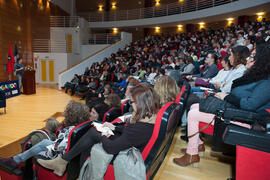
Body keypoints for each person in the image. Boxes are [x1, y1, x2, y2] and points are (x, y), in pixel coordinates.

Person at [173, 44, 270, 167]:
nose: (248, 58)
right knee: (194, 106)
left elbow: (249, 105)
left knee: (193, 114)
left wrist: (225, 96)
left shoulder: (266, 82)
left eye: (253, 56)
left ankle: (192, 154)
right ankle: (197, 145)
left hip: (246, 119)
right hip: (237, 112)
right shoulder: (255, 76)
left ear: (262, 60)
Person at [37, 84, 160, 176]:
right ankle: (68, 165)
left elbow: (111, 147)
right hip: (127, 144)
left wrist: (104, 134)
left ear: (140, 103)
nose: (131, 104)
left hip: (125, 154)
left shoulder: (141, 127)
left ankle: (63, 162)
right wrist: (115, 127)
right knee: (92, 135)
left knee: (93, 133)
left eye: (132, 101)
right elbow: (131, 132)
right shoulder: (149, 116)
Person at [0, 100, 90, 171]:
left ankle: (16, 160)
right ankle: (16, 159)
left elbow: (56, 149)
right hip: (66, 151)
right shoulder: (81, 126)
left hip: (58, 157)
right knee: (44, 142)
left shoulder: (70, 131)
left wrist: (44, 151)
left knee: (35, 149)